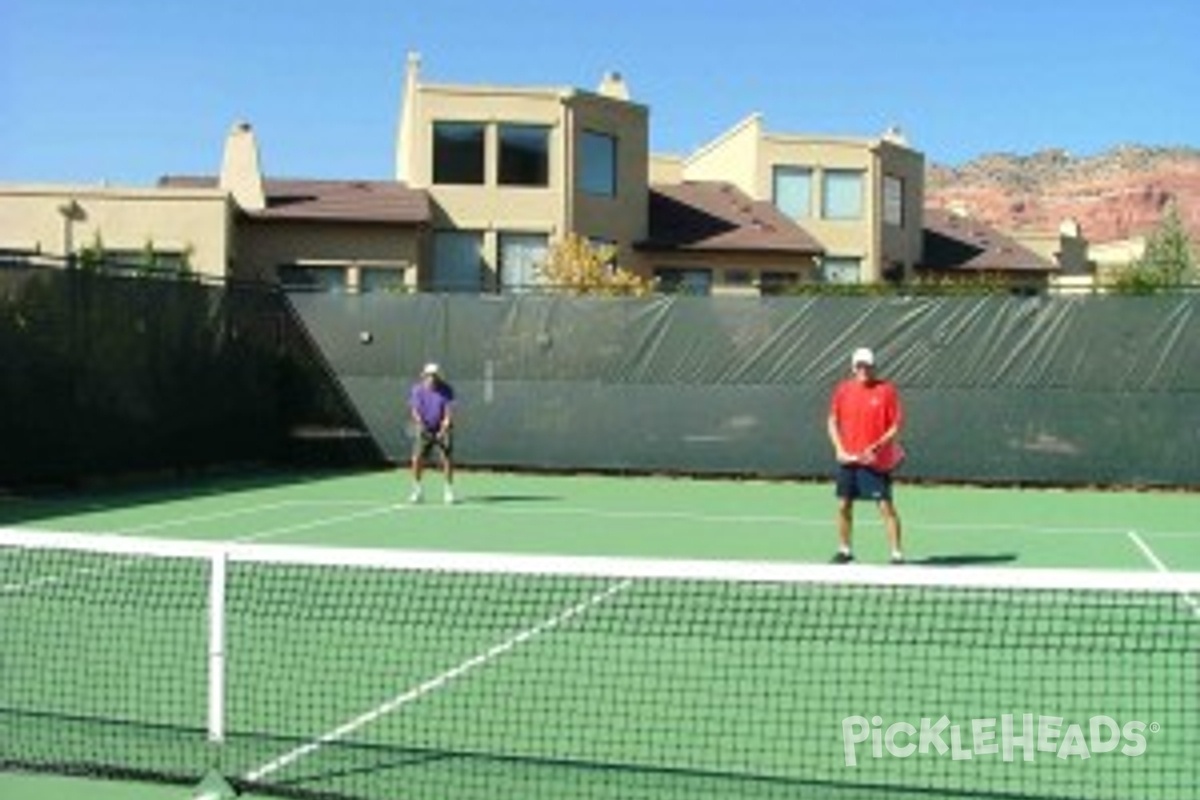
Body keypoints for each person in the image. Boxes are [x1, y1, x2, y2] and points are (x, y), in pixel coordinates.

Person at [827, 347, 904, 563]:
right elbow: (832, 421)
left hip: (875, 462)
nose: (864, 370)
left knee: (885, 506)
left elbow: (896, 426)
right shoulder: (843, 390)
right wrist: (839, 449)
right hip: (849, 460)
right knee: (843, 505)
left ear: (874, 367)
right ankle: (845, 550)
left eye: (868, 366)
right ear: (854, 367)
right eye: (860, 366)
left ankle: (896, 554)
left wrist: (877, 447)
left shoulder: (887, 390)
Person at [408, 362, 455, 504]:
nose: (431, 378)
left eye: (434, 375)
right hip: (424, 427)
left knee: (447, 459)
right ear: (424, 375)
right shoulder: (417, 390)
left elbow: (448, 413)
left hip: (442, 427)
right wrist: (421, 425)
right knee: (416, 459)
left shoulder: (446, 390)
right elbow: (415, 411)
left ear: (438, 376)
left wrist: (444, 428)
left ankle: (448, 490)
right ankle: (417, 490)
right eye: (429, 375)